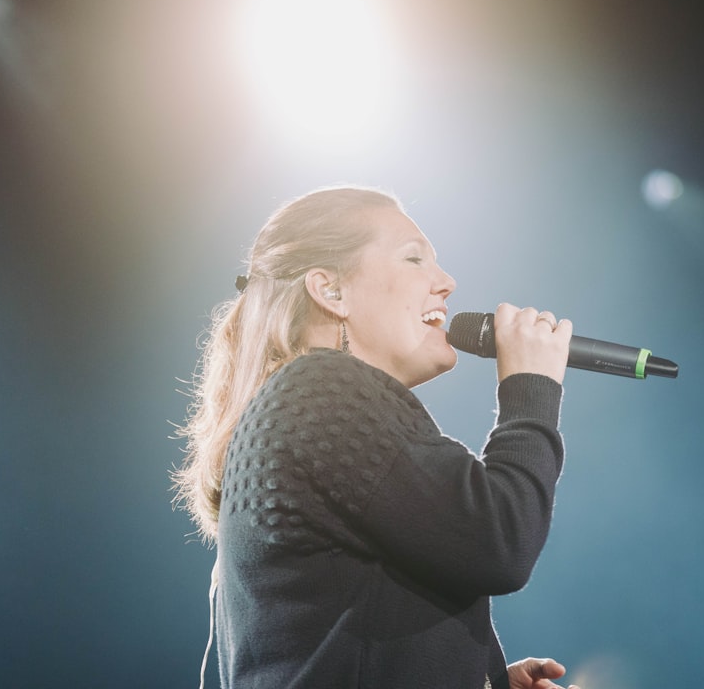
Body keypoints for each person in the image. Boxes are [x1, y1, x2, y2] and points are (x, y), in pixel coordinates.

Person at [173, 186, 580, 689]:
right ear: (331, 291)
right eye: (414, 258)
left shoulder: (295, 412)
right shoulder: (322, 391)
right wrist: (530, 387)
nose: (446, 282)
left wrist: (483, 677)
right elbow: (499, 540)